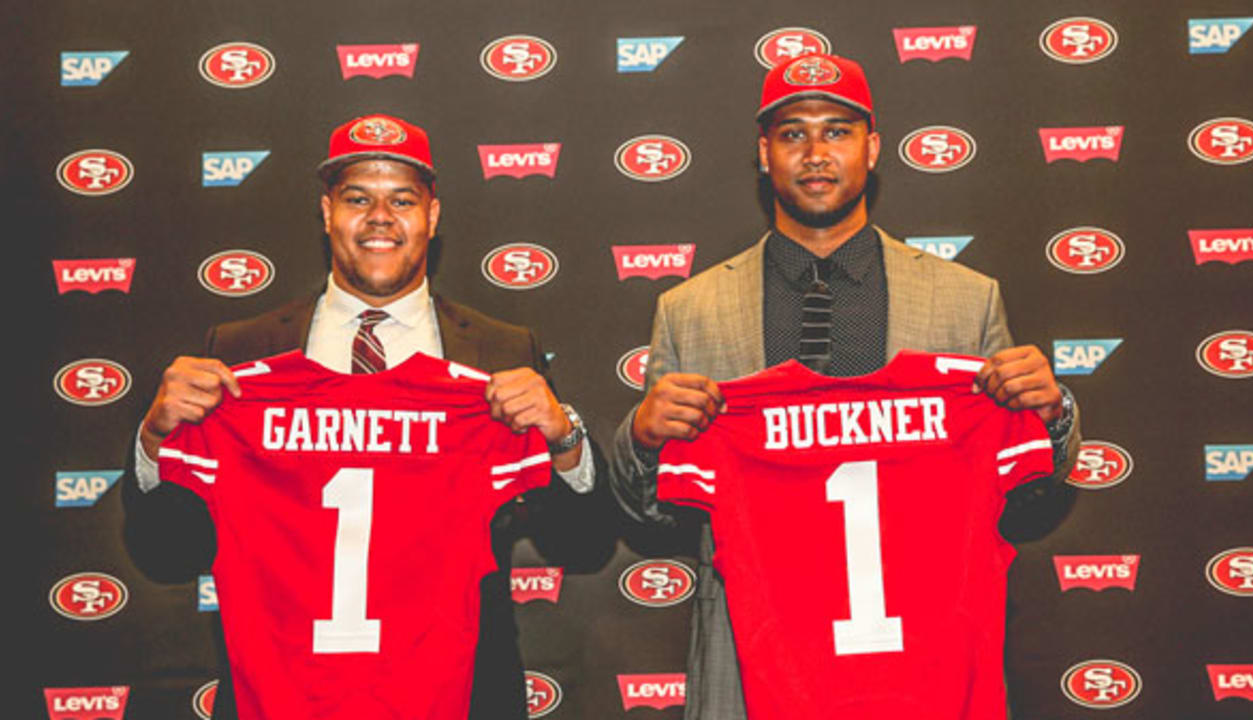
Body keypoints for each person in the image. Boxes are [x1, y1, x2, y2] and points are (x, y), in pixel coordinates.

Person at [610, 53, 1082, 719]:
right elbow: (653, 511)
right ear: (764, 154)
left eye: (836, 130)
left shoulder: (964, 301)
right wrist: (641, 438)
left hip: (923, 651)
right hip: (750, 655)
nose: (815, 152)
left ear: (873, 147)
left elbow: (1029, 489)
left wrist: (1053, 413)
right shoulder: (692, 310)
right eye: (792, 133)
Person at [121, 113, 603, 720]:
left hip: (456, 694)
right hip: (279, 693)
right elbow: (165, 550)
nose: (380, 217)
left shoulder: (502, 352)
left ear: (432, 215)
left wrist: (565, 440)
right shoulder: (241, 354)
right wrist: (154, 441)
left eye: (402, 199)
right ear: (326, 213)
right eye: (358, 198)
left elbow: (581, 542)